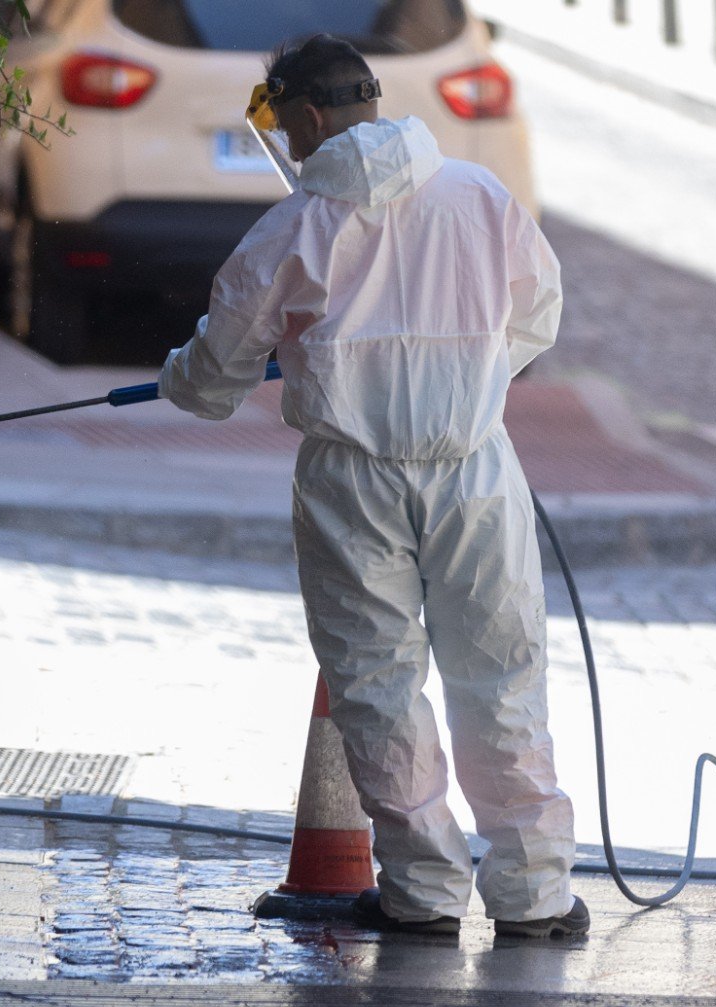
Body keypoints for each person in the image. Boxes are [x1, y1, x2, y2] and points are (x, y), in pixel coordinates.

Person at [157, 34, 588, 940]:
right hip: (473, 465)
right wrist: (461, 376)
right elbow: (538, 308)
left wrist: (185, 374)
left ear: (309, 116)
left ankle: (425, 892)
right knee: (501, 671)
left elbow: (215, 375)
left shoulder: (292, 228)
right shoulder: (476, 194)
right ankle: (536, 894)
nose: (289, 146)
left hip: (352, 480)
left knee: (379, 679)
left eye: (282, 124)